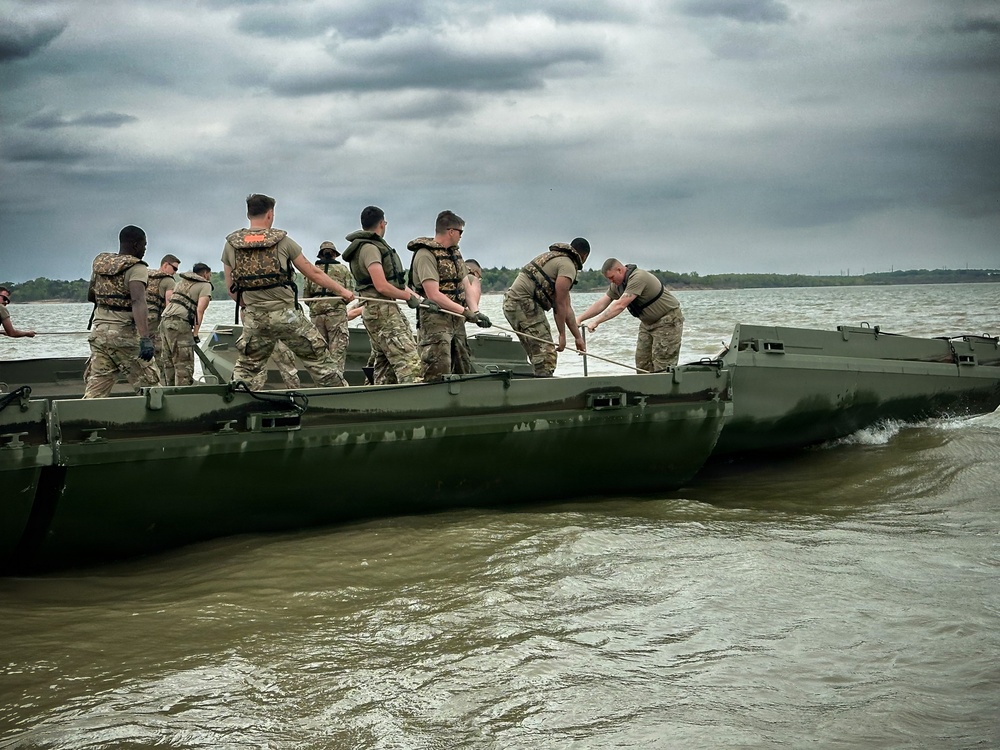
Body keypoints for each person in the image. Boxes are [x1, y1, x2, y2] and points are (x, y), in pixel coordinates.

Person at [221, 193, 354, 388]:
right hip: (288, 317)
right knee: (319, 360)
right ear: (270, 214)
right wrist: (342, 291)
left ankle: (239, 402)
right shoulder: (283, 242)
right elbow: (313, 273)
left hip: (255, 318)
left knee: (248, 367)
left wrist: (250, 305)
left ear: (249, 214)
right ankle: (340, 400)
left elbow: (231, 288)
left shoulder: (231, 245)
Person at [342, 205, 424, 385]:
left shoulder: (366, 247)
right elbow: (381, 285)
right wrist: (407, 298)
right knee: (410, 363)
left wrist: (419, 298)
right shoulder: (370, 249)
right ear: (381, 223)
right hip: (382, 311)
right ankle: (418, 401)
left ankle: (375, 398)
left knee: (384, 364)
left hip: (379, 310)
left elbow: (394, 283)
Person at [407, 210, 490, 381]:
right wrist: (464, 312)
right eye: (460, 232)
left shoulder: (455, 254)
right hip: (435, 321)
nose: (461, 236)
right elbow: (433, 294)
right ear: (451, 231)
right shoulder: (426, 254)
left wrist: (474, 311)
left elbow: (465, 283)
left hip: (456, 321)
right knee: (438, 367)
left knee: (462, 364)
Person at [83, 225, 159, 398]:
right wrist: (145, 338)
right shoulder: (137, 268)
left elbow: (91, 296)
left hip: (99, 333)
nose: (145, 249)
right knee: (151, 388)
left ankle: (79, 421)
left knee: (96, 389)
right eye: (144, 245)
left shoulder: (101, 266)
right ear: (135, 245)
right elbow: (138, 301)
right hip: (123, 336)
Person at [577, 258, 685, 372]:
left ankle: (664, 389)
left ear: (619, 270)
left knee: (663, 366)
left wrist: (596, 321)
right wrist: (579, 318)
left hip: (667, 321)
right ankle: (644, 389)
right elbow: (602, 303)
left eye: (611, 277)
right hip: (647, 324)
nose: (611, 281)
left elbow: (620, 305)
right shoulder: (617, 284)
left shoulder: (638, 277)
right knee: (642, 364)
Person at [502, 238, 590, 377]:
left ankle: (537, 383)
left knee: (537, 353)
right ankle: (543, 391)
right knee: (546, 354)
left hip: (512, 304)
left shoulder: (557, 258)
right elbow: (559, 304)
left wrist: (577, 337)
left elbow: (567, 307)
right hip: (523, 303)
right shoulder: (568, 266)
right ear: (584, 256)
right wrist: (562, 335)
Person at [302, 241, 357, 387]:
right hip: (336, 313)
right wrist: (337, 306)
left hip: (316, 313)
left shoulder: (311, 271)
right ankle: (337, 384)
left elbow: (306, 296)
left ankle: (321, 384)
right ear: (334, 254)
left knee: (319, 351)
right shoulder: (343, 270)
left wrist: (317, 305)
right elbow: (350, 293)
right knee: (337, 350)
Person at [159, 262, 213, 386]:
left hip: (164, 321)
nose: (210, 277)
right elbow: (200, 310)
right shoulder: (205, 285)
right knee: (184, 364)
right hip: (180, 324)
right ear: (205, 273)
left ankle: (169, 392)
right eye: (209, 275)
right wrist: (195, 333)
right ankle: (182, 396)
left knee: (169, 362)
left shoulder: (180, 283)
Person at [146, 254, 180, 384]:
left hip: (137, 322)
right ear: (165, 265)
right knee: (160, 358)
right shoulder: (168, 281)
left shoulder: (145, 276)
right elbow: (169, 306)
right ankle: (161, 386)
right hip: (155, 325)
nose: (175, 272)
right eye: (175, 269)